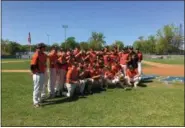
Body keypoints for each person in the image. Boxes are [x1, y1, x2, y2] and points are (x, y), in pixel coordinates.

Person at [30, 43, 47, 108]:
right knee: (37, 88)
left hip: (42, 73)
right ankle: (35, 102)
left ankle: (39, 99)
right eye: (43, 47)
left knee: (41, 87)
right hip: (37, 74)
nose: (45, 48)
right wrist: (35, 72)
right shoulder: (36, 55)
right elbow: (32, 65)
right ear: (40, 48)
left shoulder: (42, 54)